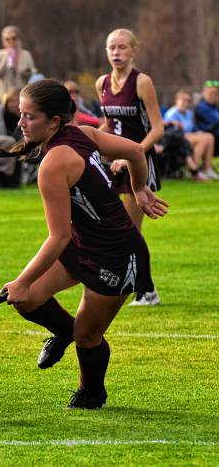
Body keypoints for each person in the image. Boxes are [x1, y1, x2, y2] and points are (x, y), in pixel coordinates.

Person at [0, 79, 167, 409]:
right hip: (85, 245)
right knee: (27, 299)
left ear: (55, 121)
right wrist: (139, 187)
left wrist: (22, 280)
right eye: (20, 115)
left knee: (88, 335)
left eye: (29, 116)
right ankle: (65, 332)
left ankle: (91, 392)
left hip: (118, 255)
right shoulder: (82, 135)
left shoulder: (55, 163)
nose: (20, 123)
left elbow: (59, 237)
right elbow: (132, 150)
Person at [95, 28, 164, 307]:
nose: (116, 53)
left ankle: (146, 290)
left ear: (134, 50)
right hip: (116, 164)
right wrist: (89, 141)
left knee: (130, 229)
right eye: (112, 47)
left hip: (140, 162)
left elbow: (158, 129)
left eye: (122, 47)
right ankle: (125, 282)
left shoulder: (142, 82)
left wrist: (130, 154)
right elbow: (108, 126)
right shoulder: (102, 83)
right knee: (115, 227)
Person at [163, 89, 218, 181]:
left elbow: (192, 129)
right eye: (184, 100)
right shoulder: (172, 113)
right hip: (176, 140)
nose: (186, 103)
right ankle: (193, 169)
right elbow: (170, 133)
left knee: (209, 136)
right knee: (204, 139)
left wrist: (198, 132)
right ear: (177, 100)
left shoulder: (189, 113)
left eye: (188, 101)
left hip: (189, 137)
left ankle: (206, 168)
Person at [0, 25, 36, 104]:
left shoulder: (26, 55)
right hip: (3, 98)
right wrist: (5, 59)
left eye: (14, 38)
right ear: (3, 41)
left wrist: (23, 71)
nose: (11, 41)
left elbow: (33, 71)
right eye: (7, 39)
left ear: (18, 39)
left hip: (22, 98)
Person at [194, 80, 219, 155]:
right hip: (211, 137)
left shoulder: (215, 107)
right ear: (204, 94)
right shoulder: (201, 107)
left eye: (215, 93)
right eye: (211, 93)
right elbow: (214, 123)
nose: (213, 96)